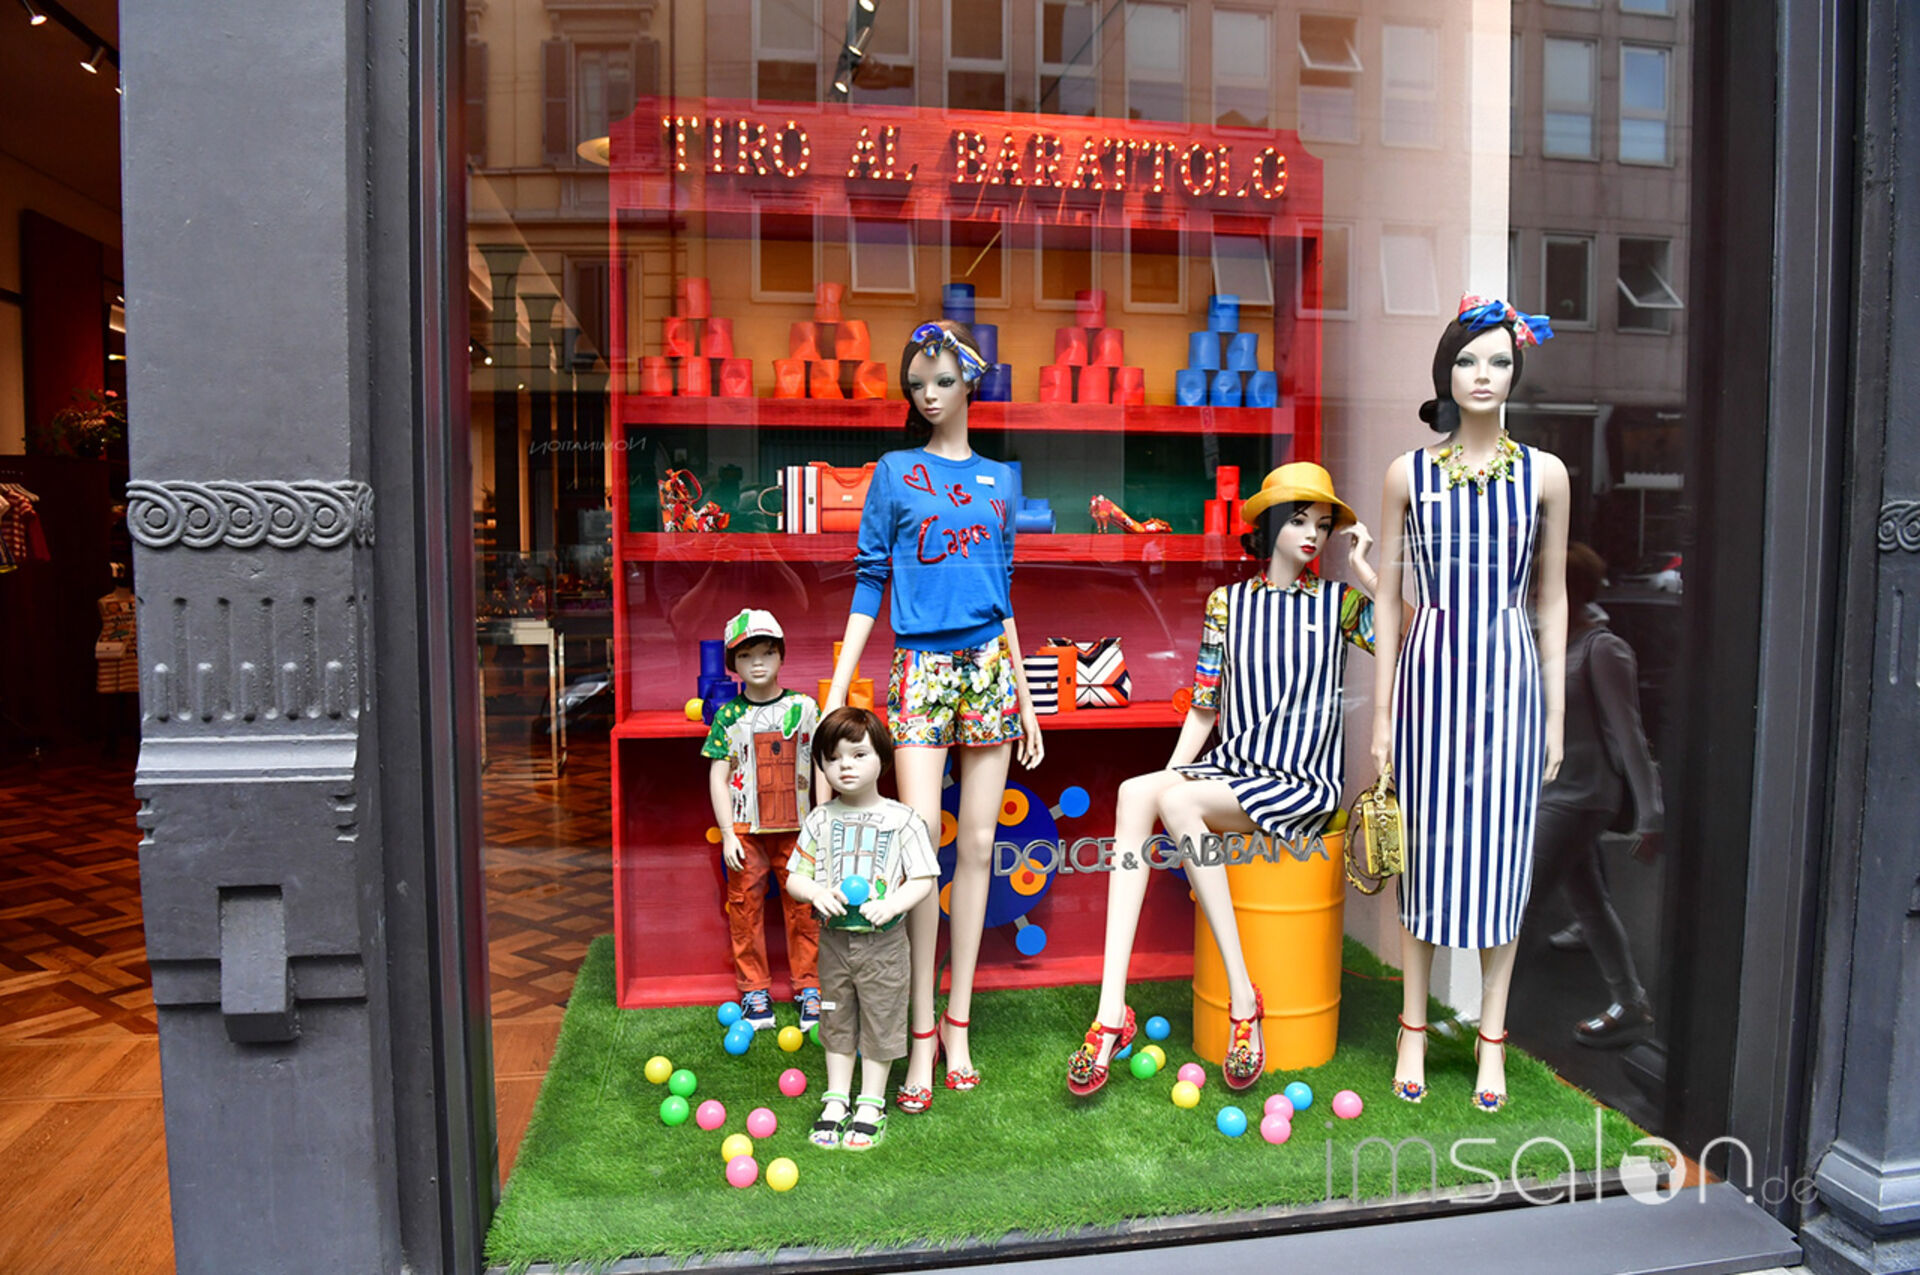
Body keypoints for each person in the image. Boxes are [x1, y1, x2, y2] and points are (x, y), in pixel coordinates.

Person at [1066, 463, 1379, 1096]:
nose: (1312, 535)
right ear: (1270, 525)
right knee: (1135, 793)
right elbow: (1205, 707)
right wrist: (1169, 775)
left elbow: (1415, 640)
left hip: (1302, 780)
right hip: (1234, 766)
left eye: (1322, 525)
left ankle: (1242, 998)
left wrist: (1367, 572)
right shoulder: (1227, 603)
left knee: (1180, 803)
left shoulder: (1342, 604)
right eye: (1299, 520)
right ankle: (1110, 1010)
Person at [823, 320, 1044, 1113]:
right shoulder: (894, 472)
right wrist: (839, 686)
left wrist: (1025, 696)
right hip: (919, 666)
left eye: (943, 380)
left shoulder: (1001, 481)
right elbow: (869, 579)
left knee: (978, 846)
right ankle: (918, 1032)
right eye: (917, 383)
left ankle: (958, 1023)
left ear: (970, 384)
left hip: (989, 668)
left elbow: (1002, 589)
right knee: (920, 846)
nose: (928, 394)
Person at [1370, 296, 1571, 1112]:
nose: (1482, 375)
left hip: (1510, 678)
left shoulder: (1545, 474)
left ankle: (1492, 1037)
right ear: (1445, 371)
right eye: (1467, 360)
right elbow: (1387, 599)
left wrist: (1556, 713)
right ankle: (1413, 1026)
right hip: (1430, 677)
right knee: (1424, 856)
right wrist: (1382, 715)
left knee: (1501, 858)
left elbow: (1553, 597)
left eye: (1497, 360)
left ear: (1516, 370)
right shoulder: (1406, 473)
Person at [784, 707, 940, 1151]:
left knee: (881, 1016)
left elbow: (924, 879)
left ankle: (871, 1102)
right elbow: (795, 877)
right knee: (835, 1015)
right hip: (834, 943)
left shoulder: (903, 819)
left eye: (858, 754)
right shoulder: (820, 819)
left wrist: (892, 904)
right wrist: (816, 893)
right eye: (833, 758)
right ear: (821, 765)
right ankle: (836, 1098)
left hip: (884, 946)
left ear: (882, 758)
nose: (845, 766)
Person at [1530, 544, 1664, 1046]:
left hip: (1582, 795)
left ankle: (1478, 1019)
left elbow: (1629, 734)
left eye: (1542, 587)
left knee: (1519, 904)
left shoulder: (1602, 649)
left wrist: (1651, 815)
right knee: (1589, 900)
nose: (1534, 596)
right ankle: (1630, 1002)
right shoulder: (1552, 642)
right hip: (1551, 791)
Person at [701, 609, 821, 1033]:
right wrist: (728, 833)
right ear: (732, 662)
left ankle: (810, 985)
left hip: (799, 828)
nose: (757, 663)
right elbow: (717, 775)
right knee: (744, 909)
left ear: (781, 655)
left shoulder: (804, 708)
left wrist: (821, 821)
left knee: (805, 908)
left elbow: (821, 764)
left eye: (767, 652)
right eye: (746, 655)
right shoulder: (728, 716)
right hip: (745, 830)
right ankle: (754, 989)